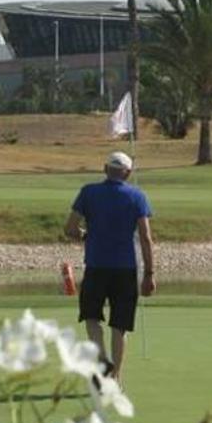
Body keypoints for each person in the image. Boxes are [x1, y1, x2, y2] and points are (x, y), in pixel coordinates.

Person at [64, 151, 156, 382]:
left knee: (92, 317)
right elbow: (146, 237)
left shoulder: (88, 192)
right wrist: (150, 274)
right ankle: (115, 377)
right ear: (128, 173)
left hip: (96, 266)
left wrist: (87, 236)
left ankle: (102, 359)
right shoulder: (137, 196)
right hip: (126, 268)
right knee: (120, 325)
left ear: (105, 170)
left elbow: (70, 229)